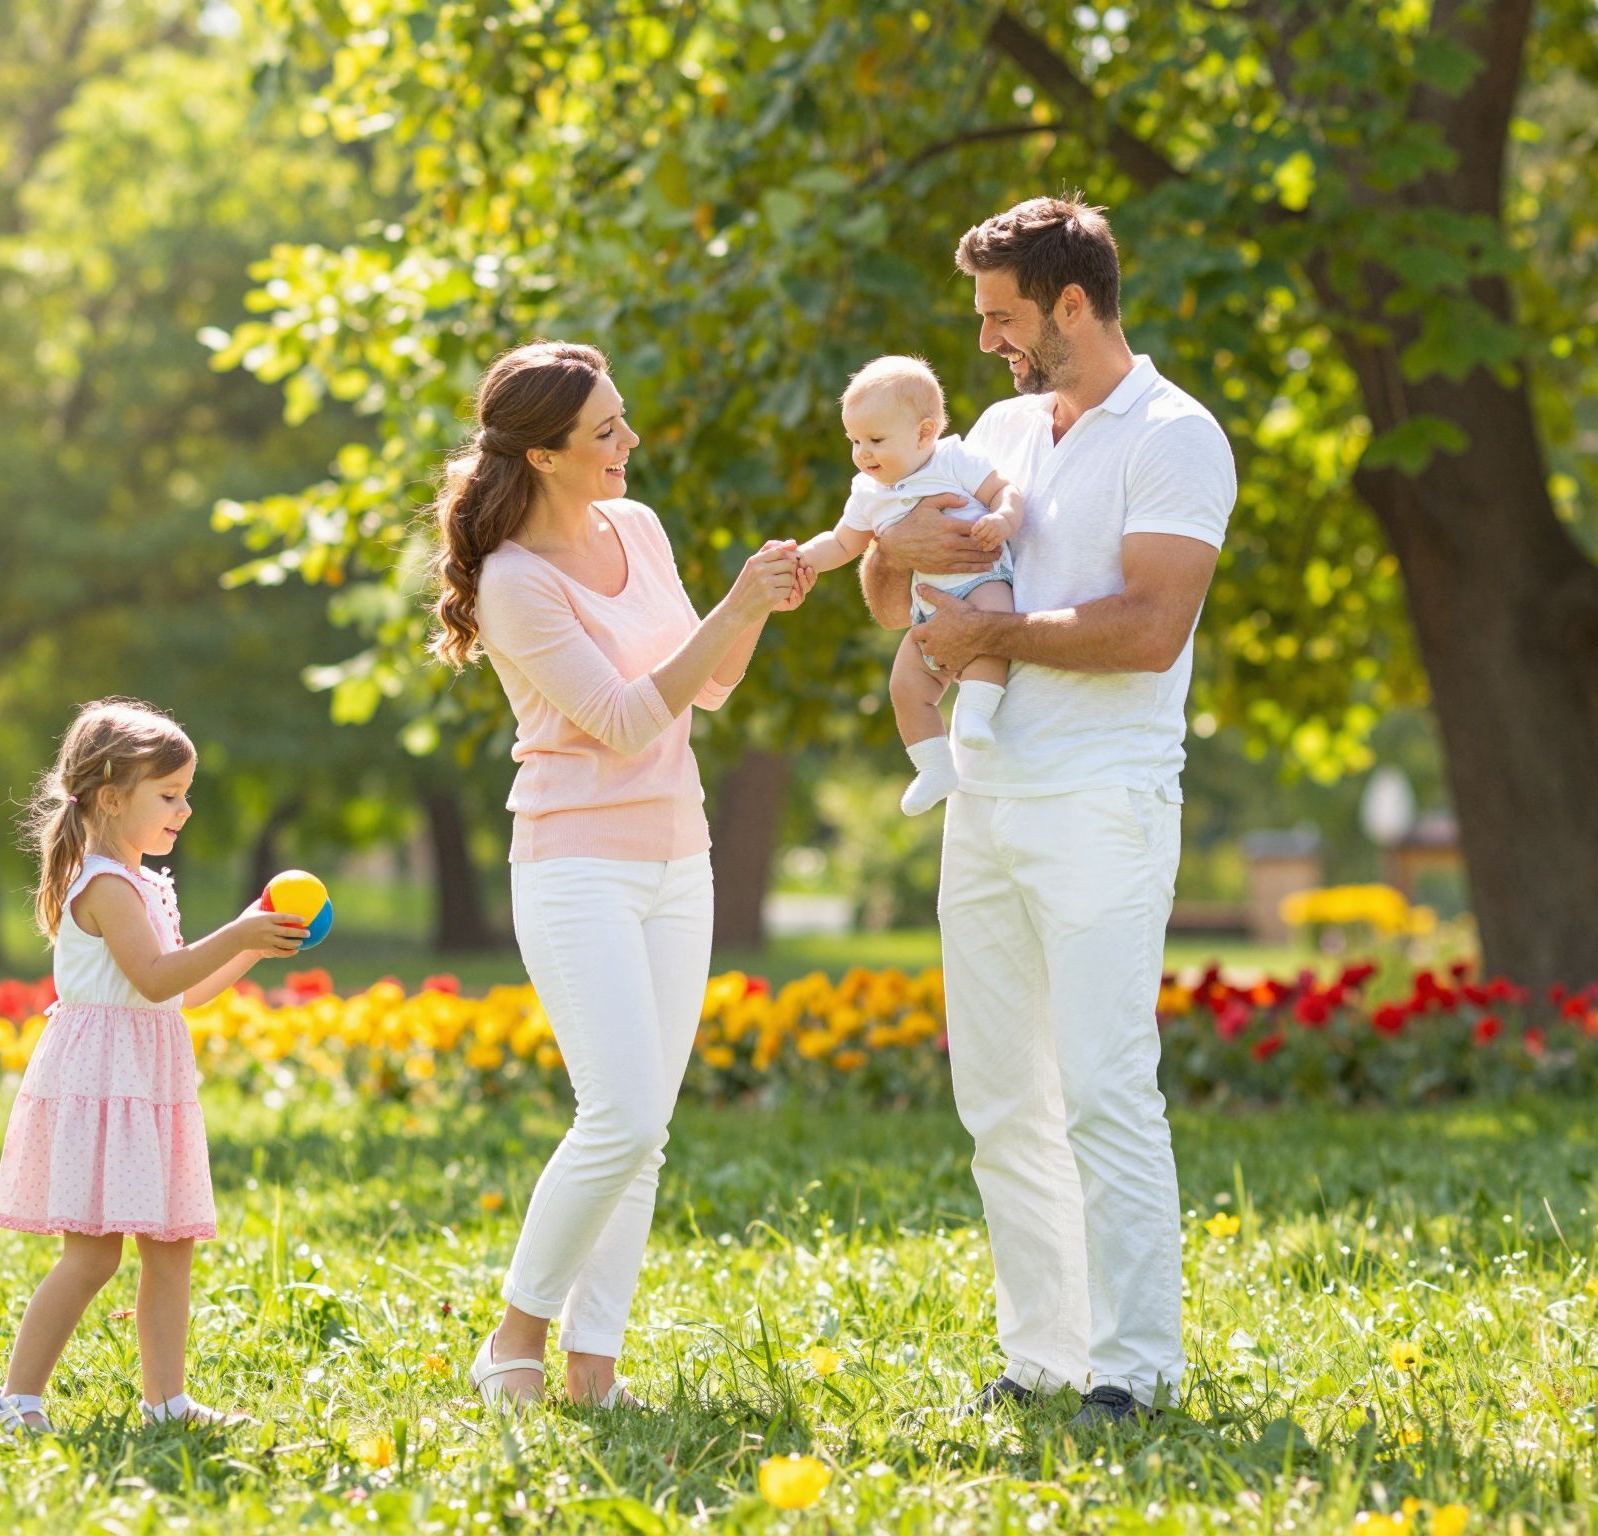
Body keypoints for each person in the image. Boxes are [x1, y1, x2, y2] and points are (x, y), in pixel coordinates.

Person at [860, 196, 1236, 1427]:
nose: (986, 344)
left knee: (1103, 1086)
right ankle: (1042, 1359)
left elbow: (1146, 627)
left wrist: (988, 630)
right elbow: (901, 586)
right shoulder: (1005, 429)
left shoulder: (1174, 436)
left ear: (1072, 304)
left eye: (1003, 317)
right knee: (1000, 1100)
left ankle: (1134, 1366)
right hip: (987, 796)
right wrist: (891, 556)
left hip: (1101, 800)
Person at [432, 341, 808, 1411]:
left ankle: (592, 1365)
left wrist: (750, 611)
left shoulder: (637, 529)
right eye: (604, 432)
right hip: (575, 866)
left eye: (622, 420)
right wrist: (731, 612)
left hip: (673, 859)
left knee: (647, 1129)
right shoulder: (513, 584)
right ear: (544, 455)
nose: (627, 444)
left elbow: (711, 686)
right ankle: (513, 1338)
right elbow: (624, 716)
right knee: (621, 1117)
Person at [0, 698, 308, 1436]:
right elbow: (158, 977)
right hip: (106, 1084)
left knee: (170, 1247)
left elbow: (181, 990)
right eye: (170, 795)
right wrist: (238, 931)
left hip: (145, 1082)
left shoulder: (141, 881)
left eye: (185, 793)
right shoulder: (103, 885)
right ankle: (14, 1400)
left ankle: (166, 1402)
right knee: (93, 1256)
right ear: (110, 798)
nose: (185, 810)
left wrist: (254, 944)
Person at [792, 355, 1026, 815]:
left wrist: (1002, 518)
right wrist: (802, 557)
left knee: (993, 624)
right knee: (905, 685)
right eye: (854, 440)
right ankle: (935, 767)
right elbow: (842, 543)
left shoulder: (954, 459)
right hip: (927, 610)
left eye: (876, 440)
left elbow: (1005, 491)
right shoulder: (868, 492)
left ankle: (976, 712)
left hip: (981, 576)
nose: (863, 453)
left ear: (923, 433)